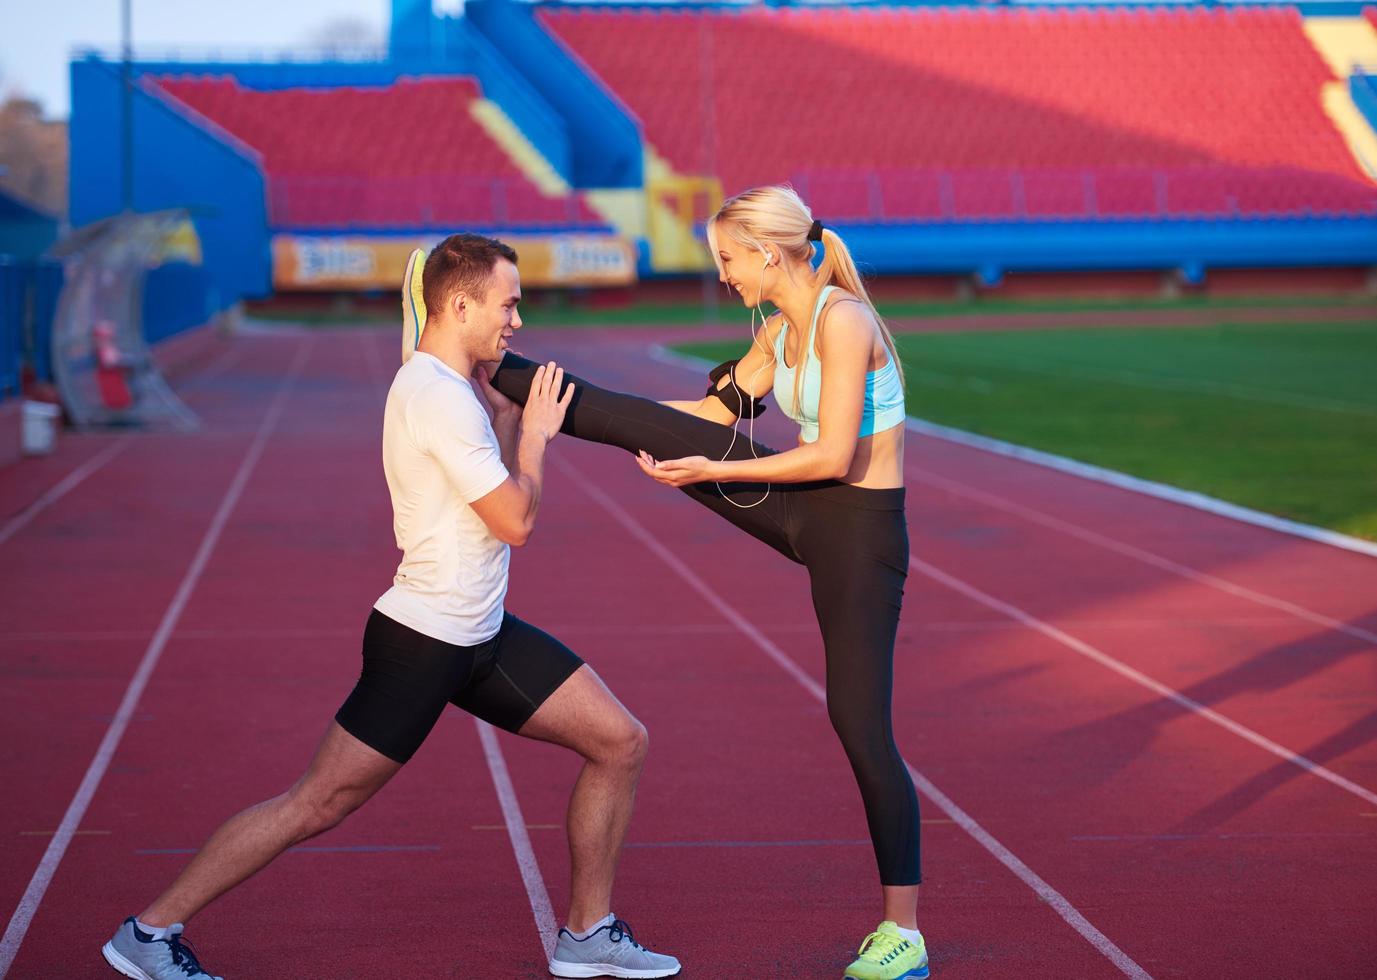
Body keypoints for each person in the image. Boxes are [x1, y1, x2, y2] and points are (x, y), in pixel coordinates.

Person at [101, 233, 681, 980]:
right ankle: (149, 934)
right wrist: (535, 437)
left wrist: (506, 423)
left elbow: (485, 502)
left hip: (480, 634)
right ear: (460, 304)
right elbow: (517, 522)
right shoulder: (436, 398)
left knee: (618, 742)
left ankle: (586, 933)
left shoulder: (449, 386)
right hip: (425, 642)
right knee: (315, 804)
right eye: (508, 304)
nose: (517, 321)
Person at [445, 186, 930, 980]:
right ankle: (500, 371)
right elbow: (711, 411)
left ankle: (901, 932)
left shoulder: (843, 321)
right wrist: (630, 420)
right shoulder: (778, 329)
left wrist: (710, 467)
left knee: (858, 724)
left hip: (857, 533)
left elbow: (832, 456)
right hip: (798, 505)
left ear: (767, 252)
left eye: (729, 260)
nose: (725, 276)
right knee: (641, 419)